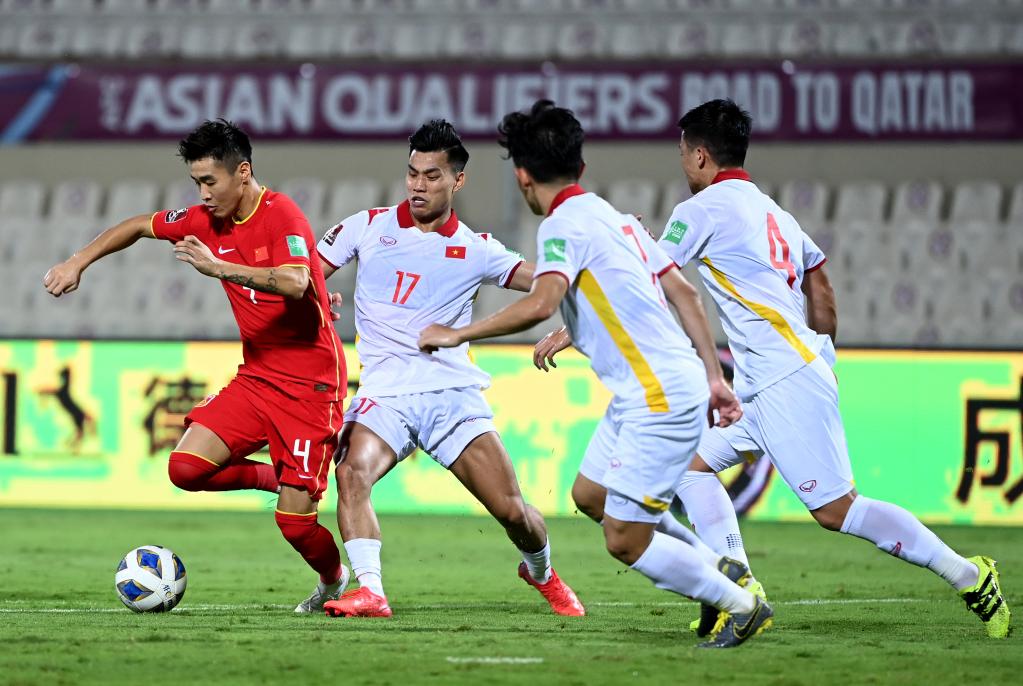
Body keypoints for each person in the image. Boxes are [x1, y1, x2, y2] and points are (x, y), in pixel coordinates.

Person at [418, 100, 772, 649]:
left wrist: (458, 333)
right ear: (579, 166)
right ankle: (713, 570)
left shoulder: (561, 227)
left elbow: (542, 302)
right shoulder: (617, 218)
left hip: (657, 395)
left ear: (522, 176)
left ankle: (741, 603)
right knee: (590, 495)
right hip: (651, 389)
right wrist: (713, 376)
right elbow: (684, 293)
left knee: (625, 540)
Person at [658, 98, 1010, 639]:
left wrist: (574, 328)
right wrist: (820, 356)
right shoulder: (775, 213)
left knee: (837, 510)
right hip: (769, 383)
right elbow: (818, 281)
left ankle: (970, 576)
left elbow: (652, 276)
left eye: (683, 153)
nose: (682, 163)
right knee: (689, 467)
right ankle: (741, 592)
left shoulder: (700, 210)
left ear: (701, 155)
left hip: (782, 380)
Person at [42, 119, 350, 614]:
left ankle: (334, 581)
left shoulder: (281, 214)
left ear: (243, 172)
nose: (202, 194)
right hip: (258, 378)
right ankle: (278, 477)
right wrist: (78, 261)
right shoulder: (205, 219)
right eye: (196, 182)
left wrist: (218, 267)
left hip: (310, 385)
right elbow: (139, 225)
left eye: (210, 181)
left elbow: (296, 283)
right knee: (185, 468)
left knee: (294, 525)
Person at [315, 119, 583, 619]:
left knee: (513, 512)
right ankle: (371, 590)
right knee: (351, 472)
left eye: (432, 175)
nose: (418, 185)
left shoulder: (478, 249)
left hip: (451, 396)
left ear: (458, 180)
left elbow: (550, 282)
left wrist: (596, 272)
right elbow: (303, 276)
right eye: (412, 173)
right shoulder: (367, 226)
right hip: (385, 395)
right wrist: (319, 296)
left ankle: (542, 572)